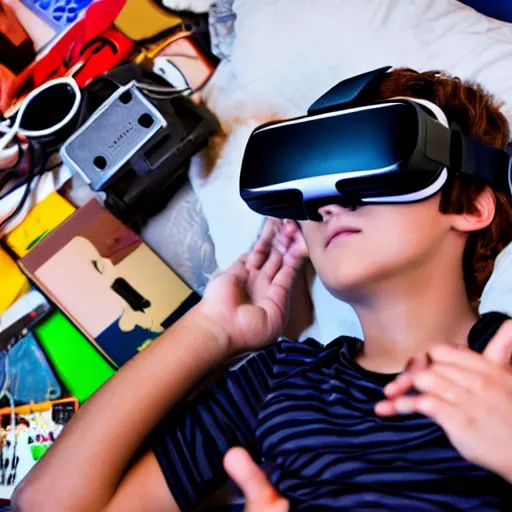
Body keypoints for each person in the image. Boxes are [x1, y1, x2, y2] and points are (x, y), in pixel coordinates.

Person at [11, 68, 512, 511]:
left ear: (470, 207)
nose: (326, 203)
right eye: (307, 183)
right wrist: (210, 330)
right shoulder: (280, 379)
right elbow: (48, 503)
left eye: (366, 156)